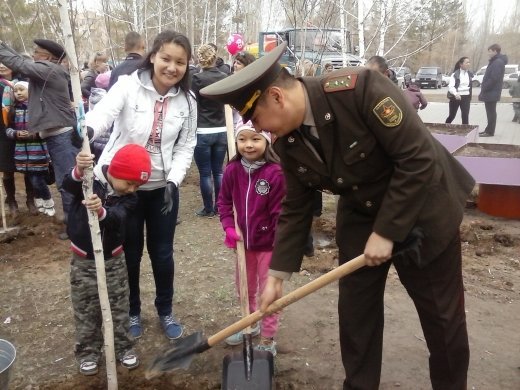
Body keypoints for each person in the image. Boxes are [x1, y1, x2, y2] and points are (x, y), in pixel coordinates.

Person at [200, 42, 474, 390]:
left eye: (257, 119)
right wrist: (277, 275)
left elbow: (418, 159)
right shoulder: (288, 143)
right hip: (361, 216)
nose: (262, 131)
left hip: (423, 208)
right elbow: (295, 207)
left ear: (277, 97)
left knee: (441, 318)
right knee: (356, 317)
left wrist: (387, 231)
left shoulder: (360, 90)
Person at [86, 30, 197, 340]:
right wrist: (87, 130)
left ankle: (165, 310)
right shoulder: (128, 87)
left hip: (162, 188)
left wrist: (174, 182)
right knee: (130, 253)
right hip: (124, 189)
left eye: (180, 62)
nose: (172, 67)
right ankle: (133, 311)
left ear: (187, 65)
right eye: (166, 59)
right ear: (152, 57)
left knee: (162, 254)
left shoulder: (188, 100)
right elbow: (104, 114)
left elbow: (186, 145)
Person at [62, 144, 151, 376]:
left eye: (137, 185)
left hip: (114, 260)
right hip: (83, 262)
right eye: (129, 183)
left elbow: (117, 218)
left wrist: (102, 212)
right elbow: (67, 184)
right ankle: (88, 352)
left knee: (119, 306)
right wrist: (80, 171)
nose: (132, 189)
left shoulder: (130, 198)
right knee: (85, 309)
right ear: (116, 171)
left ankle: (123, 347)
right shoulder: (90, 179)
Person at [217, 120, 285, 356]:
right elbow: (224, 202)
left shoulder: (275, 173)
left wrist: (279, 242)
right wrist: (228, 228)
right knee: (245, 288)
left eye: (255, 139)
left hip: (269, 245)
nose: (248, 145)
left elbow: (280, 213)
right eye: (242, 139)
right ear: (235, 142)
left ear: (267, 141)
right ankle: (250, 324)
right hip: (242, 243)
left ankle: (267, 338)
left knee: (270, 292)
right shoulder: (232, 170)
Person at [0, 39, 80, 239]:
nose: (33, 55)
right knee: (66, 181)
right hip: (57, 136)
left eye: (36, 52)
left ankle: (75, 227)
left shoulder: (49, 70)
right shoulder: (48, 70)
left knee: (66, 182)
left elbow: (19, 64)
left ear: (47, 57)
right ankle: (75, 221)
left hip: (61, 137)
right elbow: (18, 60)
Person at [5, 81, 55, 216]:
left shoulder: (38, 108)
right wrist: (16, 134)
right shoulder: (13, 110)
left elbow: (47, 126)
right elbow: (8, 129)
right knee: (33, 178)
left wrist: (36, 133)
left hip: (37, 150)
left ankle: (48, 201)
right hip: (21, 152)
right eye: (16, 91)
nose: (19, 93)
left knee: (37, 179)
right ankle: (39, 200)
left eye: (22, 90)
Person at [191, 44, 228, 217]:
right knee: (218, 171)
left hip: (203, 130)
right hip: (222, 129)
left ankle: (208, 208)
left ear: (199, 58)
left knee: (205, 173)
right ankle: (220, 206)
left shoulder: (196, 79)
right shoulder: (224, 76)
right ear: (215, 57)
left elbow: (193, 104)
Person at [478, 43, 508, 137]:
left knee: (491, 112)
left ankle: (490, 132)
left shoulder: (497, 62)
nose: (489, 53)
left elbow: (494, 78)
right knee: (490, 112)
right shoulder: (495, 61)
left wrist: (485, 87)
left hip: (492, 92)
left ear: (495, 51)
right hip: (491, 92)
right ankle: (488, 129)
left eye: (490, 51)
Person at [445, 57, 473, 124]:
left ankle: (465, 131)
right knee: (452, 116)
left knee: (465, 116)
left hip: (466, 97)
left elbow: (470, 86)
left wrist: (469, 96)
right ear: (461, 64)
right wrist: (456, 94)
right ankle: (445, 127)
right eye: (466, 62)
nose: (468, 64)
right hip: (456, 97)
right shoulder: (455, 74)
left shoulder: (469, 74)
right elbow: (451, 87)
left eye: (469, 62)